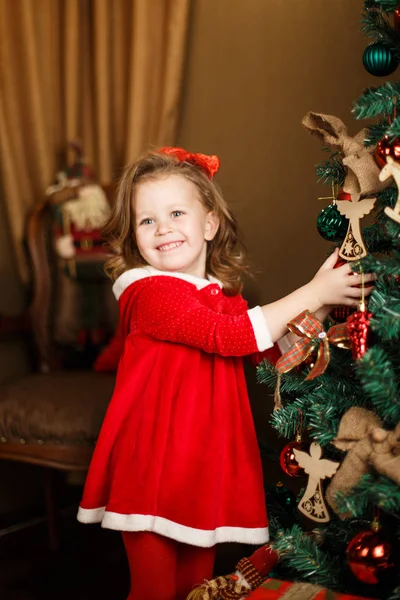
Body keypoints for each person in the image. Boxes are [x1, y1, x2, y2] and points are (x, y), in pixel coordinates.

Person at [77, 146, 374, 600]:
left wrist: (320, 299)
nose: (163, 229)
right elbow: (230, 336)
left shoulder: (221, 299)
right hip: (153, 466)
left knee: (195, 589)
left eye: (176, 212)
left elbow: (276, 351)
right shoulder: (149, 293)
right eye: (147, 220)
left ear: (210, 223)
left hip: (200, 468)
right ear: (133, 235)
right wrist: (311, 290)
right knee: (155, 590)